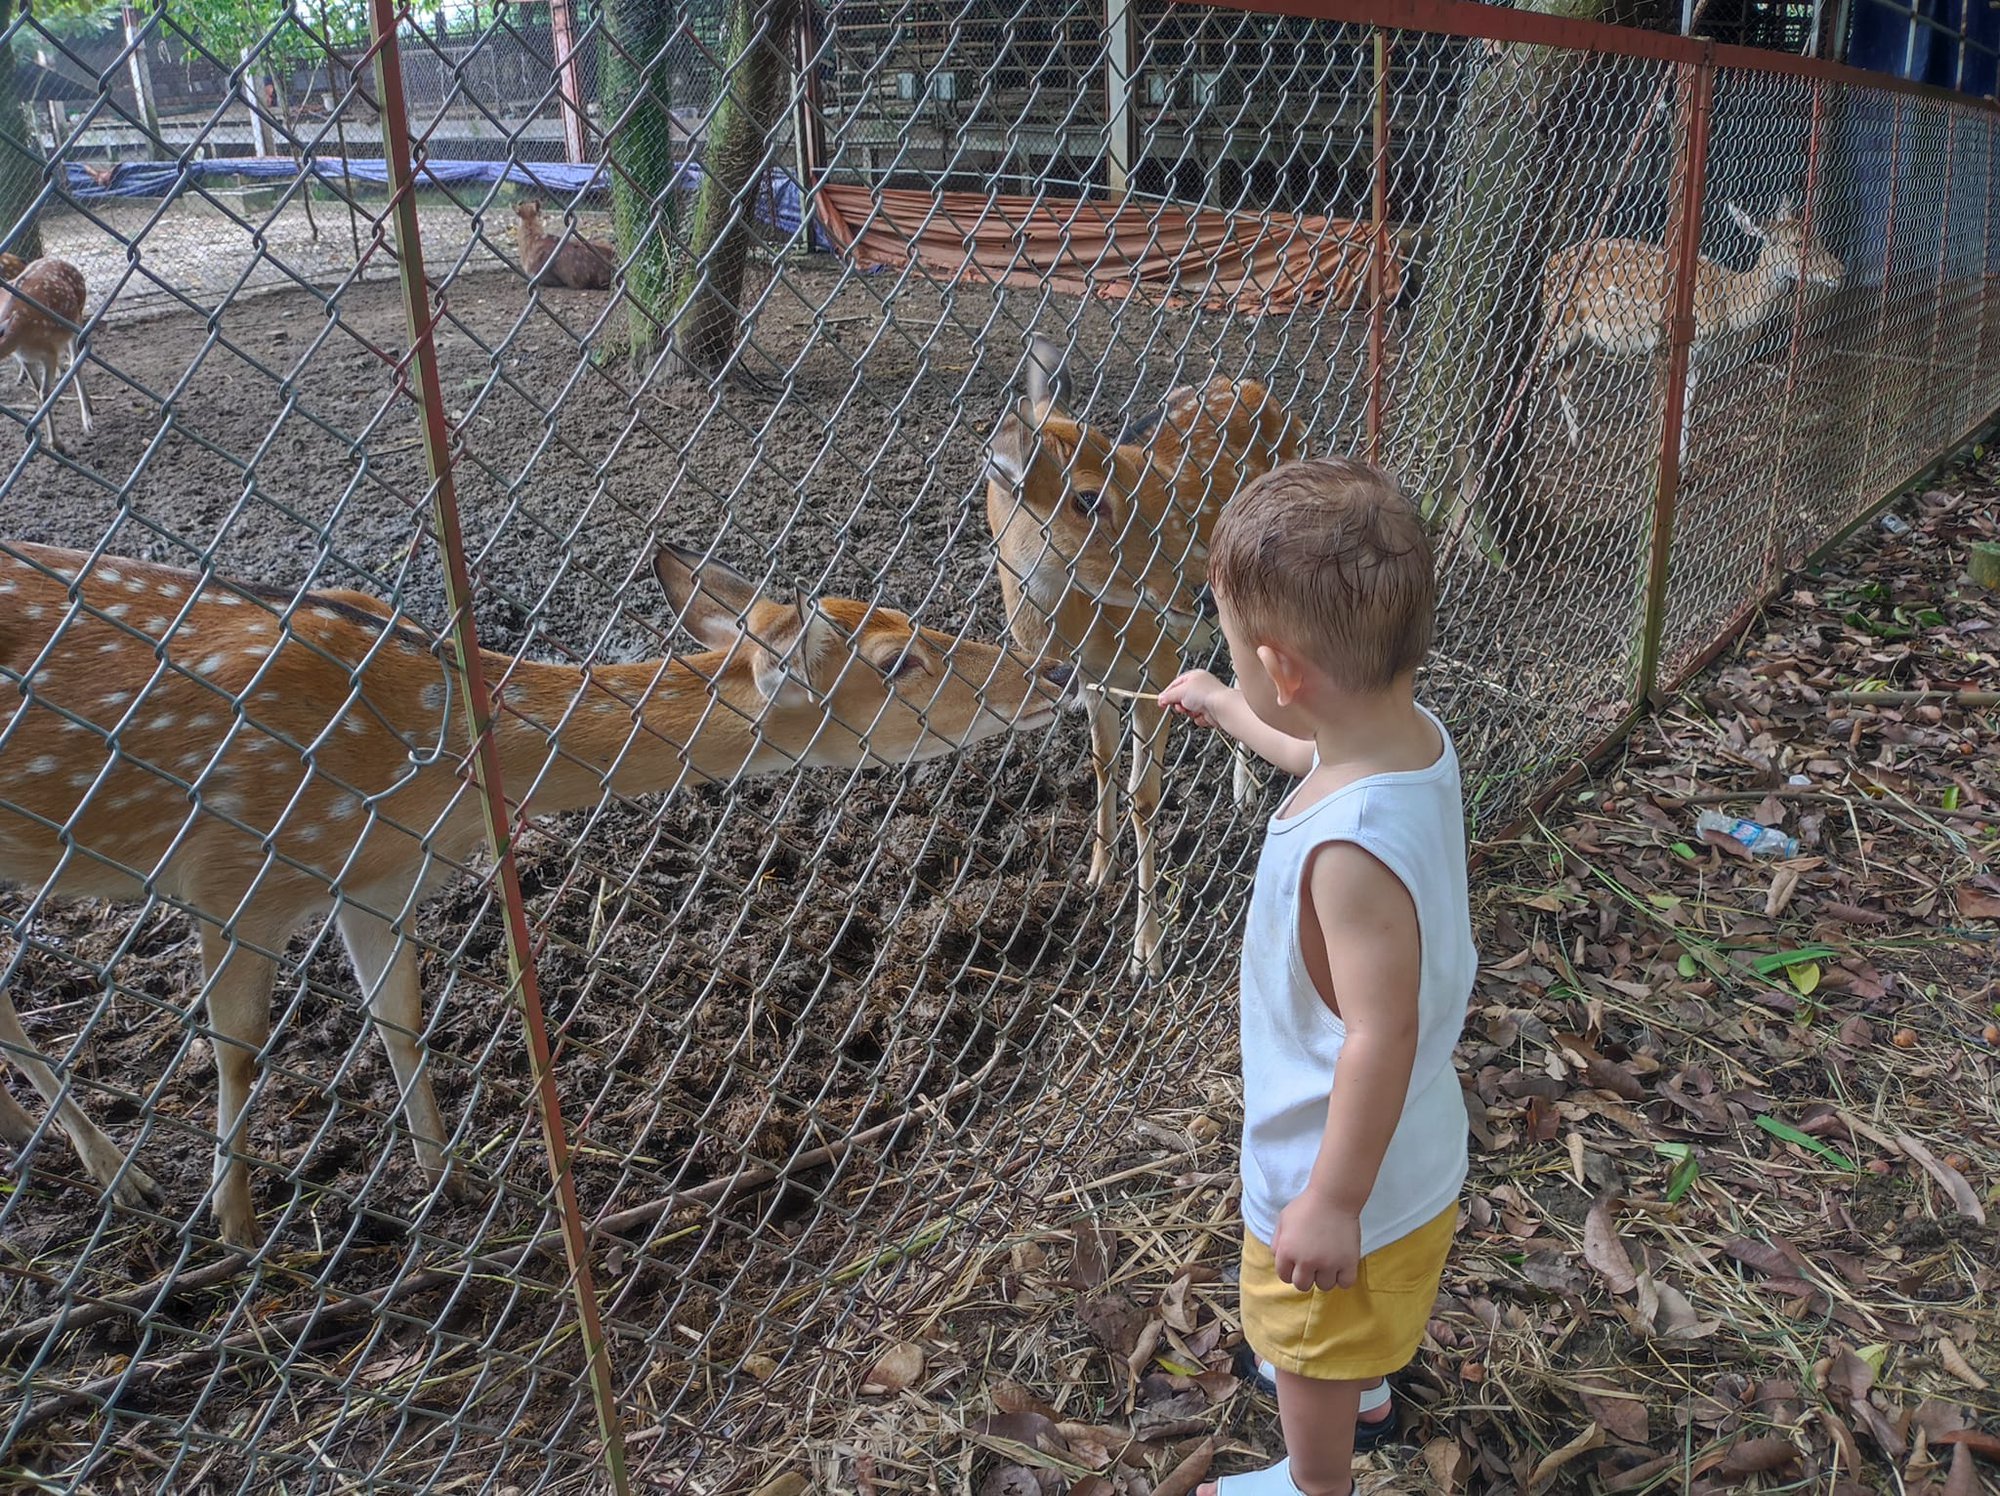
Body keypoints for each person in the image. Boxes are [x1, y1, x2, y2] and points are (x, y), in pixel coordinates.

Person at [1157, 457, 1475, 1496]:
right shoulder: (1410, 743)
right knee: (1355, 1318)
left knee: (1299, 1336)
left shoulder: (1343, 856)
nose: (1227, 664)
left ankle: (1311, 1480)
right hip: (1418, 1138)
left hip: (1336, 1164)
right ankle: (1369, 1388)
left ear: (1283, 668)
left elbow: (1375, 1032)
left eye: (1231, 649)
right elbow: (1311, 753)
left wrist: (1329, 1201)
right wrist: (1224, 707)